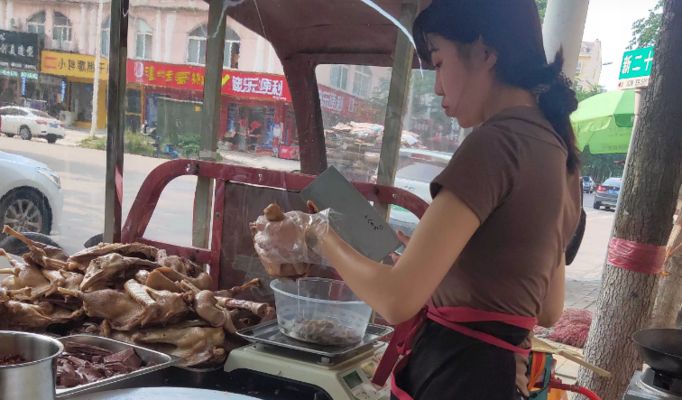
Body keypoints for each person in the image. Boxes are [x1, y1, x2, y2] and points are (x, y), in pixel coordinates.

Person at [251, 0, 582, 398]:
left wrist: (316, 232)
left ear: (485, 52)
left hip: (453, 378)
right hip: (498, 381)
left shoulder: (496, 143)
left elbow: (396, 300)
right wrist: (447, 267)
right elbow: (546, 308)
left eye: (440, 63)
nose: (438, 86)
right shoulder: (560, 153)